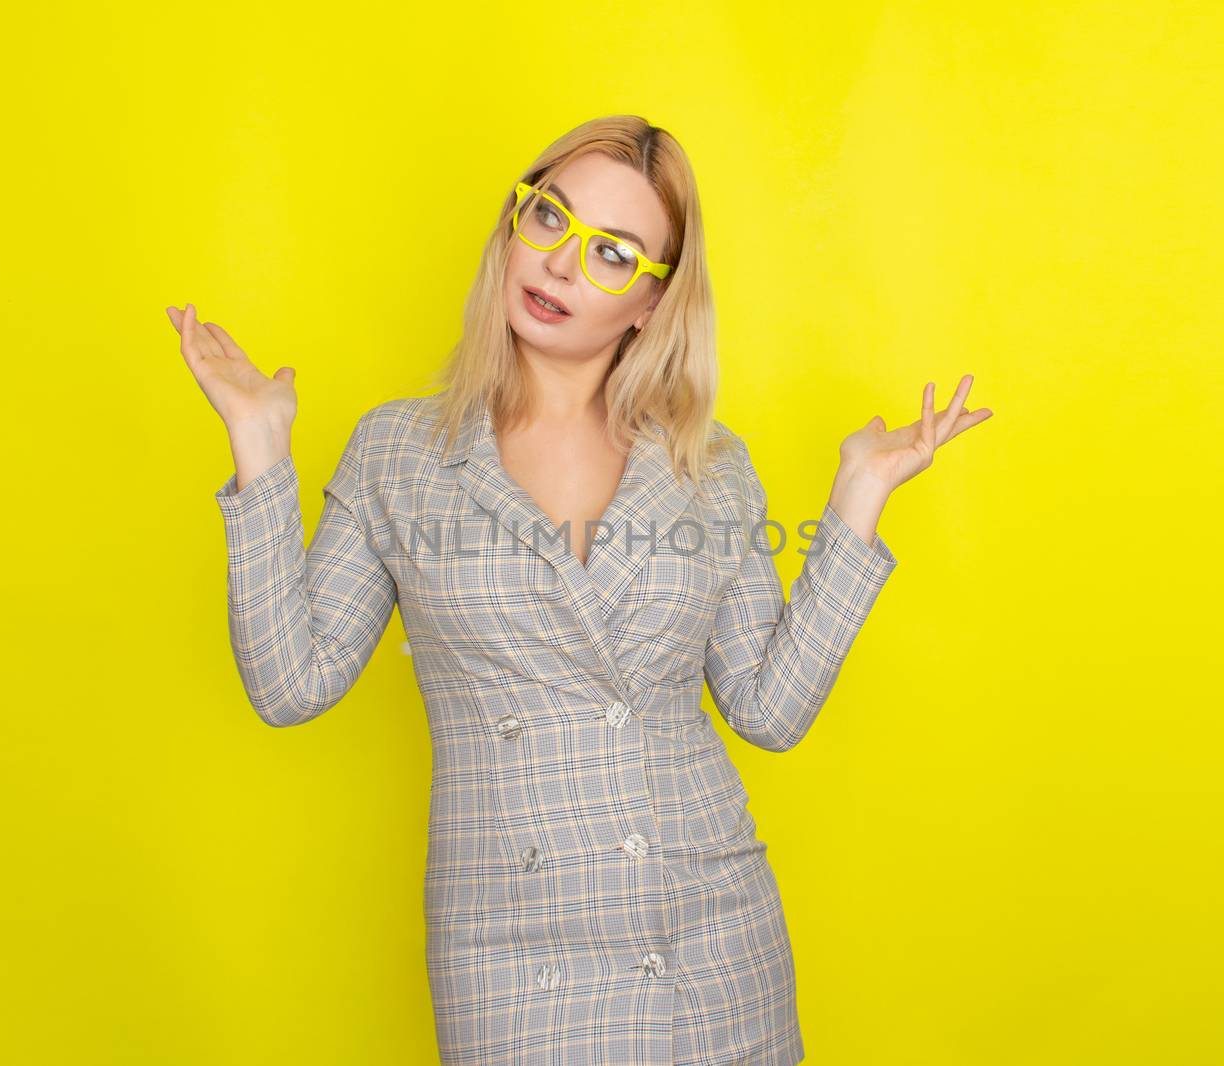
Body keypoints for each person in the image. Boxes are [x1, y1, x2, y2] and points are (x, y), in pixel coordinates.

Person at [168, 114, 991, 1065]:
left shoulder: (709, 467)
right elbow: (290, 681)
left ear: (652, 302)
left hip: (711, 945)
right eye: (550, 218)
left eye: (613, 254)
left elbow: (768, 710)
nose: (561, 265)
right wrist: (260, 446)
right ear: (515, 223)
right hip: (513, 959)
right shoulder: (401, 452)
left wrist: (859, 495)